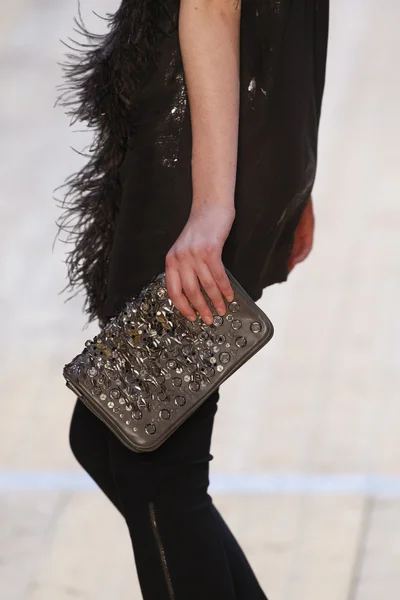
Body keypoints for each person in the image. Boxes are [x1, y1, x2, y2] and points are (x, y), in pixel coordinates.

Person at [57, 0, 329, 597]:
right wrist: (290, 170)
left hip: (192, 164)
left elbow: (210, 6)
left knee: (151, 467)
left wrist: (212, 206)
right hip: (244, 142)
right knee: (106, 434)